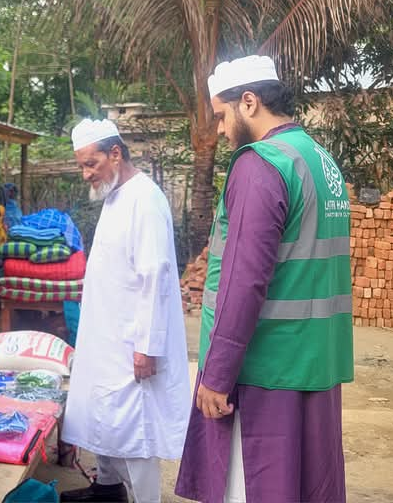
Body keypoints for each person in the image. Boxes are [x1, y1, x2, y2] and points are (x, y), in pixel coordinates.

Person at [175, 55, 353, 503]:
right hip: (316, 360)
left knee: (259, 488)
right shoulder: (320, 161)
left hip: (267, 370)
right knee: (307, 484)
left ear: (249, 102)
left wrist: (216, 375)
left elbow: (243, 281)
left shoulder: (260, 165)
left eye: (220, 115)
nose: (217, 129)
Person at [60, 119, 191, 503]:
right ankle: (107, 488)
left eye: (91, 164)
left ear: (115, 154)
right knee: (106, 418)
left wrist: (147, 345)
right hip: (107, 337)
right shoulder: (114, 193)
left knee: (136, 431)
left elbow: (154, 276)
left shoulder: (145, 199)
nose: (86, 174)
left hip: (135, 342)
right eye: (81, 166)